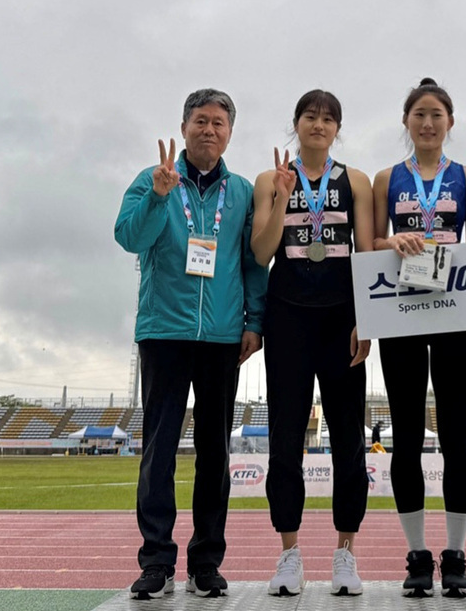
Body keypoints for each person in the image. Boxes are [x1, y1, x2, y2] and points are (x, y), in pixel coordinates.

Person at [115, 88, 267, 600]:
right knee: (158, 451)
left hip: (223, 337)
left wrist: (255, 321)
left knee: (213, 454)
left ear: (230, 132)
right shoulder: (153, 178)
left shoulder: (242, 191)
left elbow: (252, 262)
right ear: (184, 127)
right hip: (164, 332)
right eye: (200, 121)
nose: (209, 130)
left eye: (219, 123)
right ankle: (156, 560)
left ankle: (206, 561)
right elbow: (128, 238)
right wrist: (159, 195)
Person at [372, 77, 466, 598]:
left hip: (453, 309)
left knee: (455, 437)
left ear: (449, 122)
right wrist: (391, 239)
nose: (427, 123)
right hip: (400, 311)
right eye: (418, 114)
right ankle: (418, 554)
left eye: (436, 115)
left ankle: (457, 555)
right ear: (406, 122)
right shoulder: (386, 177)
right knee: (406, 436)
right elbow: (370, 240)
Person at [251, 90, 373, 597]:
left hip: (342, 321)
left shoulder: (357, 181)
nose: (318, 125)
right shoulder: (268, 179)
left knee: (348, 437)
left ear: (337, 129)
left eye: (328, 119)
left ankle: (346, 554)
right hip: (288, 319)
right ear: (295, 124)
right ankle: (289, 555)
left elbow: (366, 254)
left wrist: (368, 321)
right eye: (310, 116)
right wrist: (280, 198)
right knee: (285, 437)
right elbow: (261, 252)